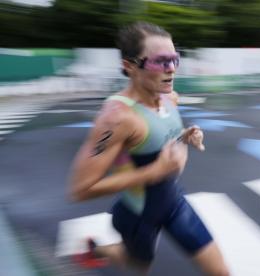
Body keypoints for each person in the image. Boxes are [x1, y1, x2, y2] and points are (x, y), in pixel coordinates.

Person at [68, 21, 229, 276]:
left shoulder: (169, 97)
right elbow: (80, 189)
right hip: (138, 217)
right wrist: (154, 172)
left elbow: (161, 135)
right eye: (160, 61)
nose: (171, 69)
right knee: (136, 265)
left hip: (174, 202)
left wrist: (187, 135)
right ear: (129, 66)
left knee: (221, 272)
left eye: (175, 59)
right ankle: (98, 250)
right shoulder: (116, 118)